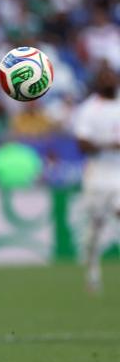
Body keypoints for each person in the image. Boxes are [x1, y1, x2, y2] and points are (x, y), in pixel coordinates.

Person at [72, 62, 120, 294]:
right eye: (105, 77)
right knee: (95, 229)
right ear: (98, 81)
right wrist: (109, 144)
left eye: (112, 75)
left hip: (119, 173)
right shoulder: (89, 109)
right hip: (98, 174)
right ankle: (92, 273)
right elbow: (82, 143)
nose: (110, 80)